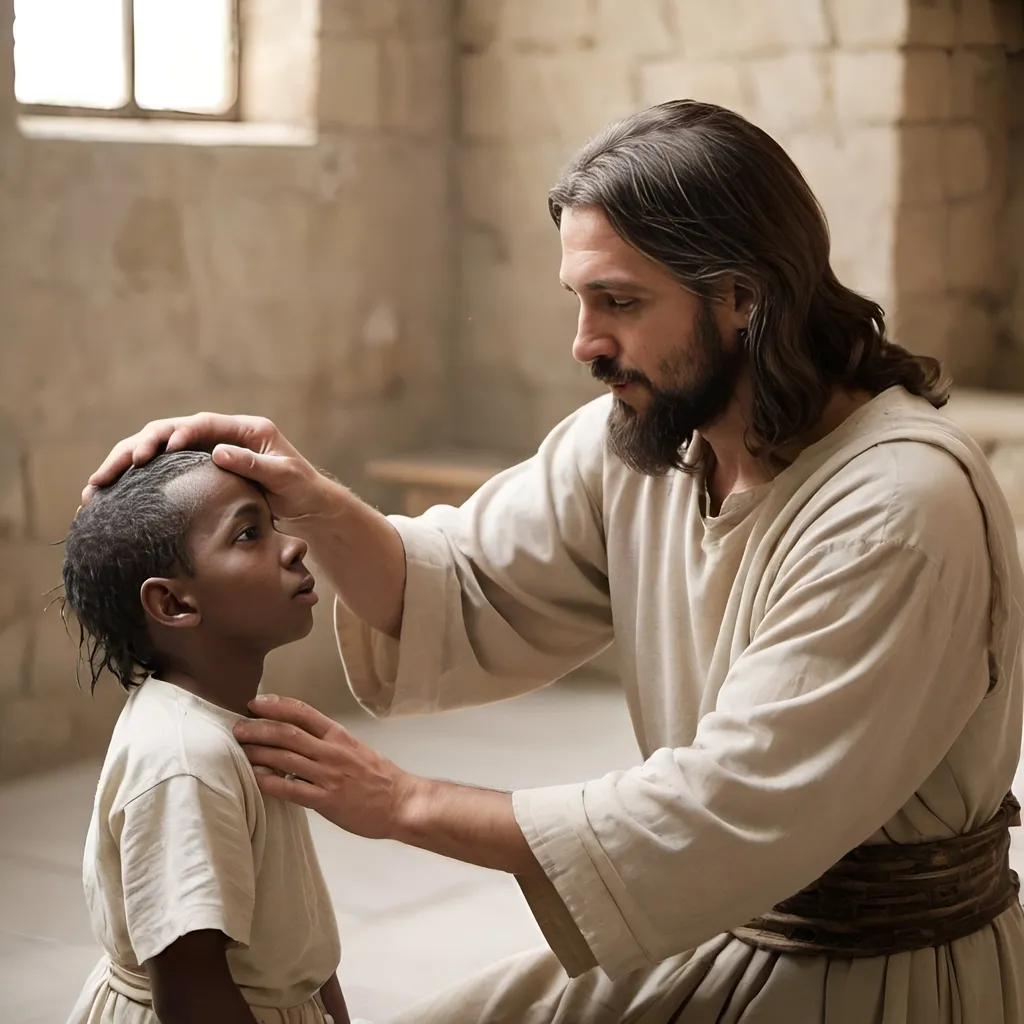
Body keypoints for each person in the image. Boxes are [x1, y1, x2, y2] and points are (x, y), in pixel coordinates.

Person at [84, 100, 1024, 1024]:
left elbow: (716, 817)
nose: (586, 343)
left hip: (875, 978)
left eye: (620, 302)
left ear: (744, 296)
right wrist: (314, 501)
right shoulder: (651, 437)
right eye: (579, 300)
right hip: (715, 929)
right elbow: (464, 584)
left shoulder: (899, 510)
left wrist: (402, 800)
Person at [62, 451, 352, 1024]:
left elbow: (302, 951)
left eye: (273, 525)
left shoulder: (231, 721)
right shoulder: (184, 758)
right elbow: (192, 986)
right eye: (249, 534)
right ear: (173, 603)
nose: (292, 546)